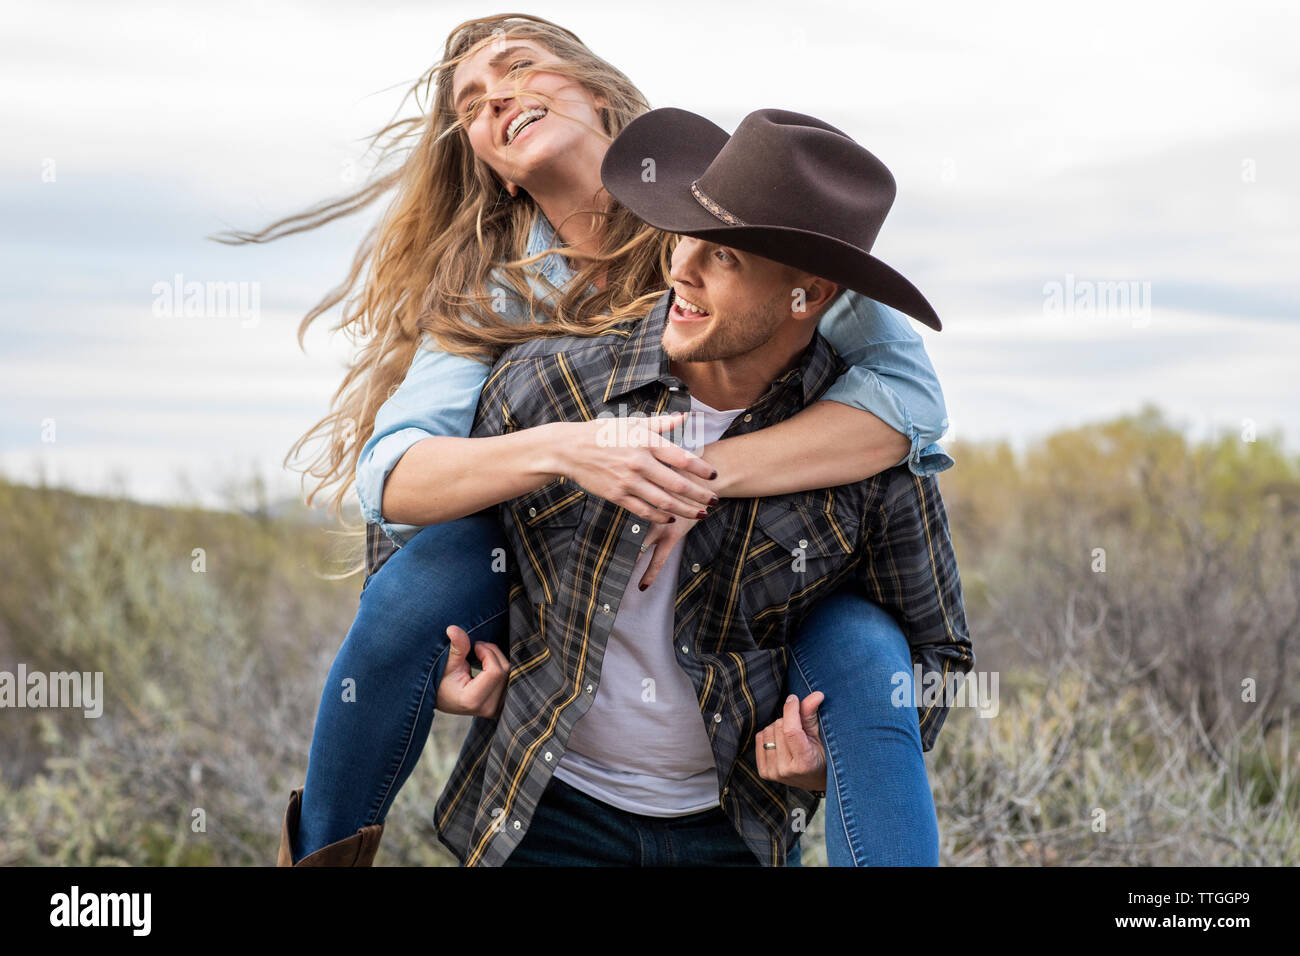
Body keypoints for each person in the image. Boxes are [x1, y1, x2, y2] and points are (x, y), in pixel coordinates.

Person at [230, 14, 952, 867]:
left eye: (520, 67)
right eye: (471, 105)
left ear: (598, 92)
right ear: (490, 170)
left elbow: (909, 398)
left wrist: (697, 476)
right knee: (418, 591)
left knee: (863, 648)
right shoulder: (495, 306)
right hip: (537, 557)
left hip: (738, 618)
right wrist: (566, 454)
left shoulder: (742, 215)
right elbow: (393, 479)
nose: (495, 97)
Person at [436, 106, 973, 866]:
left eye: (724, 258)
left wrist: (837, 758)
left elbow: (939, 652)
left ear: (809, 296)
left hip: (734, 831)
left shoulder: (864, 457)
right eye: (686, 233)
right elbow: (428, 539)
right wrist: (445, 666)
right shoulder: (558, 382)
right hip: (544, 815)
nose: (680, 269)